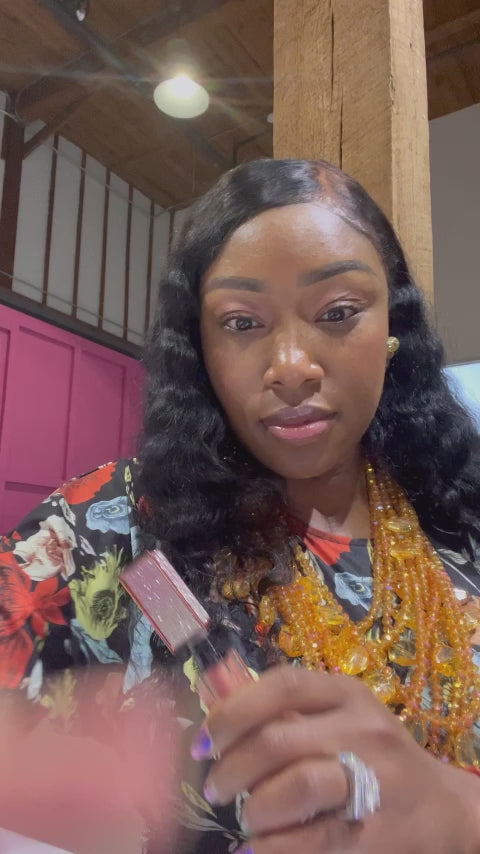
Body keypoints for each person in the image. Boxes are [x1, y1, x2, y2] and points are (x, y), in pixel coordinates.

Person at [2, 157, 480, 854]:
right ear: (200, 349)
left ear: (392, 327)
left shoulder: (461, 513)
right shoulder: (109, 524)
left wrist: (459, 813)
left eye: (338, 313)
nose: (291, 366)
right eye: (242, 322)